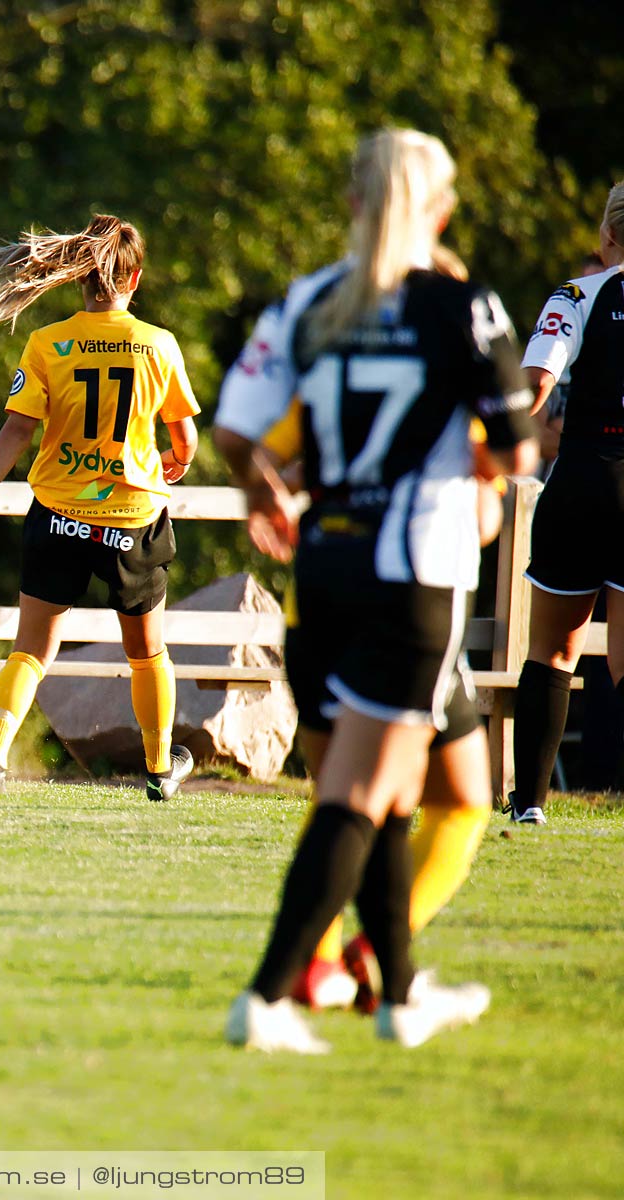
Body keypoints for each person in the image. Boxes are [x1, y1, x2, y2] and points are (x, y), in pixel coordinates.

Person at [212, 128, 537, 1052]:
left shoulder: (310, 299)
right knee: (358, 795)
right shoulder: (463, 306)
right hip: (415, 576)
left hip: (324, 569)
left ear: (355, 204)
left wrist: (263, 493)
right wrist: (471, 459)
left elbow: (239, 431)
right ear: (440, 210)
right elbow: (514, 449)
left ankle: (398, 996)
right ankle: (270, 996)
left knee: (390, 800)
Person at [221, 400, 506, 1016]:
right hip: (410, 598)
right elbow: (486, 512)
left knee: (343, 792)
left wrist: (280, 494)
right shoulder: (445, 353)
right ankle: (354, 967)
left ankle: (332, 969)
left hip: (318, 594)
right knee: (453, 801)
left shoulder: (332, 352)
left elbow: (254, 451)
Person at [0, 214, 201, 801]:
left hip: (57, 514)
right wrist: (178, 460)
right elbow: (184, 437)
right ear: (133, 276)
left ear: (78, 277)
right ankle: (160, 770)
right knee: (146, 652)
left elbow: (15, 432)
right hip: (132, 518)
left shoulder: (47, 344)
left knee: (31, 649)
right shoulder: (158, 345)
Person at [508, 197, 624, 824]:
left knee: (552, 651)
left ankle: (529, 805)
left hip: (582, 480)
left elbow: (533, 390)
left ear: (607, 231)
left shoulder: (576, 296)